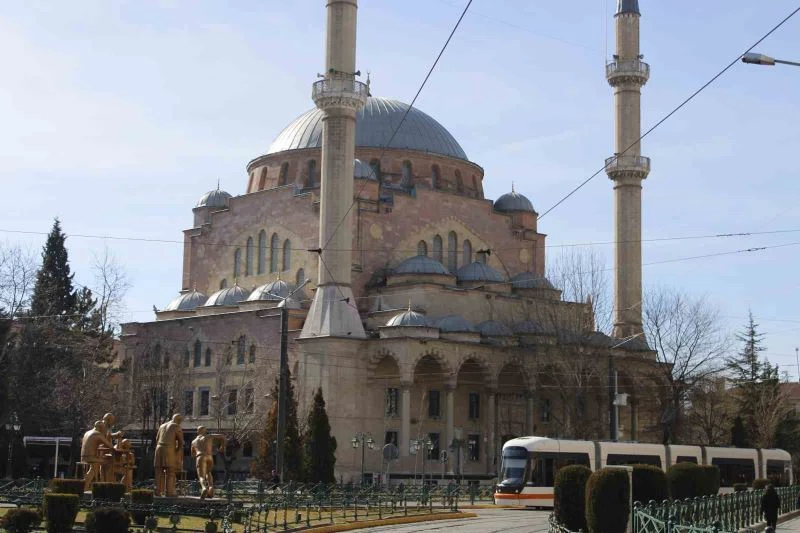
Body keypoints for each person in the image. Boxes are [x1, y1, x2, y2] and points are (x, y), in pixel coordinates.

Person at [191, 426, 225, 499]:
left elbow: (193, 454)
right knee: (208, 472)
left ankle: (204, 488)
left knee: (201, 476)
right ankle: (211, 487)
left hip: (200, 457)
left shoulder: (193, 441)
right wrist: (222, 447)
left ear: (197, 431)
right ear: (205, 431)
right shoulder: (209, 436)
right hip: (209, 457)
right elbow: (222, 436)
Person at [154, 414, 184, 497]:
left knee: (158, 471)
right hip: (169, 448)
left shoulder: (162, 426)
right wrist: (176, 452)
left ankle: (157, 491)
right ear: (179, 420)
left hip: (159, 448)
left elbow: (157, 439)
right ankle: (169, 492)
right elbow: (181, 442)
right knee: (170, 471)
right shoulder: (176, 426)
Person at [80, 421, 113, 491]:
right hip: (91, 457)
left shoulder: (87, 432)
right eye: (104, 428)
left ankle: (86, 484)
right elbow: (110, 446)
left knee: (95, 466)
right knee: (108, 462)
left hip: (83, 457)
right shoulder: (98, 434)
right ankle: (105, 484)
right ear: (101, 428)